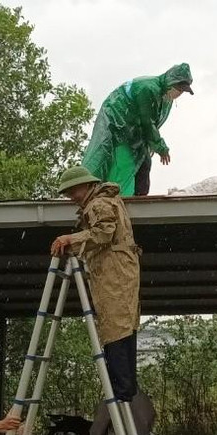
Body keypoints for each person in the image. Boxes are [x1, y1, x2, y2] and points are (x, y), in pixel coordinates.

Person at [50, 166, 141, 402]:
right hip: (118, 269)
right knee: (121, 324)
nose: (71, 197)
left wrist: (72, 238)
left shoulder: (99, 203)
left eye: (73, 191)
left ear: (85, 185)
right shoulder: (105, 200)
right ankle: (124, 386)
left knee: (115, 326)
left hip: (114, 271)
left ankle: (121, 388)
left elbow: (103, 233)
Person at [82, 63, 194, 197]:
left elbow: (152, 123)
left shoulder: (165, 98)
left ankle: (139, 199)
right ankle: (114, 196)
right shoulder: (148, 88)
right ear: (170, 82)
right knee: (122, 159)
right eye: (178, 88)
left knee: (144, 161)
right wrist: (160, 146)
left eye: (182, 91)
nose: (179, 93)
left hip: (135, 129)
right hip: (118, 122)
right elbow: (148, 121)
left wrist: (151, 143)